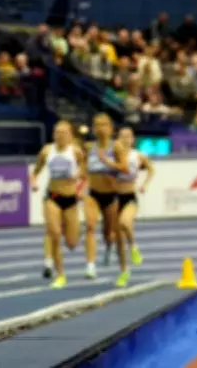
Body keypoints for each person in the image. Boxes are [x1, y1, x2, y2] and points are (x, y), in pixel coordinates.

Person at [31, 121, 85, 288]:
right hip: (52, 197)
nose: (60, 135)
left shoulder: (76, 151)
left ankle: (60, 251)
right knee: (54, 233)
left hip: (71, 200)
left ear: (70, 135)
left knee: (72, 242)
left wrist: (79, 179)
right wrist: (33, 182)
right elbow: (35, 171)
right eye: (57, 132)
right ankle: (60, 274)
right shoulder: (47, 151)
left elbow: (85, 170)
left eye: (63, 132)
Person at [84, 113, 130, 287]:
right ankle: (90, 265)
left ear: (110, 128)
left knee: (112, 234)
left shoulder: (116, 146)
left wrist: (108, 162)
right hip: (92, 194)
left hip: (111, 196)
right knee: (90, 226)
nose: (100, 128)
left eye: (104, 125)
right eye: (97, 125)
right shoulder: (89, 147)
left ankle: (123, 268)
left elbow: (124, 168)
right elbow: (83, 168)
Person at [115, 127, 154, 267]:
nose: (125, 139)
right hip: (114, 198)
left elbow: (151, 169)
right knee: (117, 237)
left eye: (128, 137)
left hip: (129, 197)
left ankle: (134, 247)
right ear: (118, 139)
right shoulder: (113, 155)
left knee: (125, 222)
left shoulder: (138, 155)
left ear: (133, 139)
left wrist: (145, 185)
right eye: (122, 136)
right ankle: (123, 269)